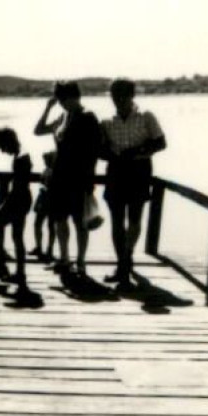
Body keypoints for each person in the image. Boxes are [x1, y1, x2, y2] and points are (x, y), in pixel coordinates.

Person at [99, 79, 166, 290]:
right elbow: (100, 150)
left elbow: (161, 142)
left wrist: (138, 151)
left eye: (121, 95)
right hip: (116, 171)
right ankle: (122, 266)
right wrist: (113, 154)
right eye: (113, 96)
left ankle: (126, 261)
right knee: (117, 221)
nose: (117, 100)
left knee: (134, 219)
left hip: (139, 171)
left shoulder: (146, 116)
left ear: (131, 96)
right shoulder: (107, 121)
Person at [34, 81, 102, 276]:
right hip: (58, 178)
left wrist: (88, 180)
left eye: (65, 99)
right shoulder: (63, 116)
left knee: (80, 223)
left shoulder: (88, 117)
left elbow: (94, 151)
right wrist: (48, 107)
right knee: (59, 220)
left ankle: (80, 261)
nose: (62, 103)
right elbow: (38, 130)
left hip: (79, 179)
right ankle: (64, 259)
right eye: (60, 100)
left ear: (75, 97)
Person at [0, 127, 33, 293]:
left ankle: (1, 266)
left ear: (7, 143)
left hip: (18, 200)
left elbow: (18, 187)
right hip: (23, 199)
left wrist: (4, 206)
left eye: (1, 147)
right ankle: (20, 274)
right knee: (17, 237)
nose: (1, 151)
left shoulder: (20, 158)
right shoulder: (21, 154)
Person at [31, 150, 56, 262]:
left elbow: (46, 183)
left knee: (43, 224)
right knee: (46, 224)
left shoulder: (51, 170)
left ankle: (44, 248)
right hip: (47, 198)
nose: (45, 161)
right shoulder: (48, 170)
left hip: (48, 198)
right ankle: (45, 248)